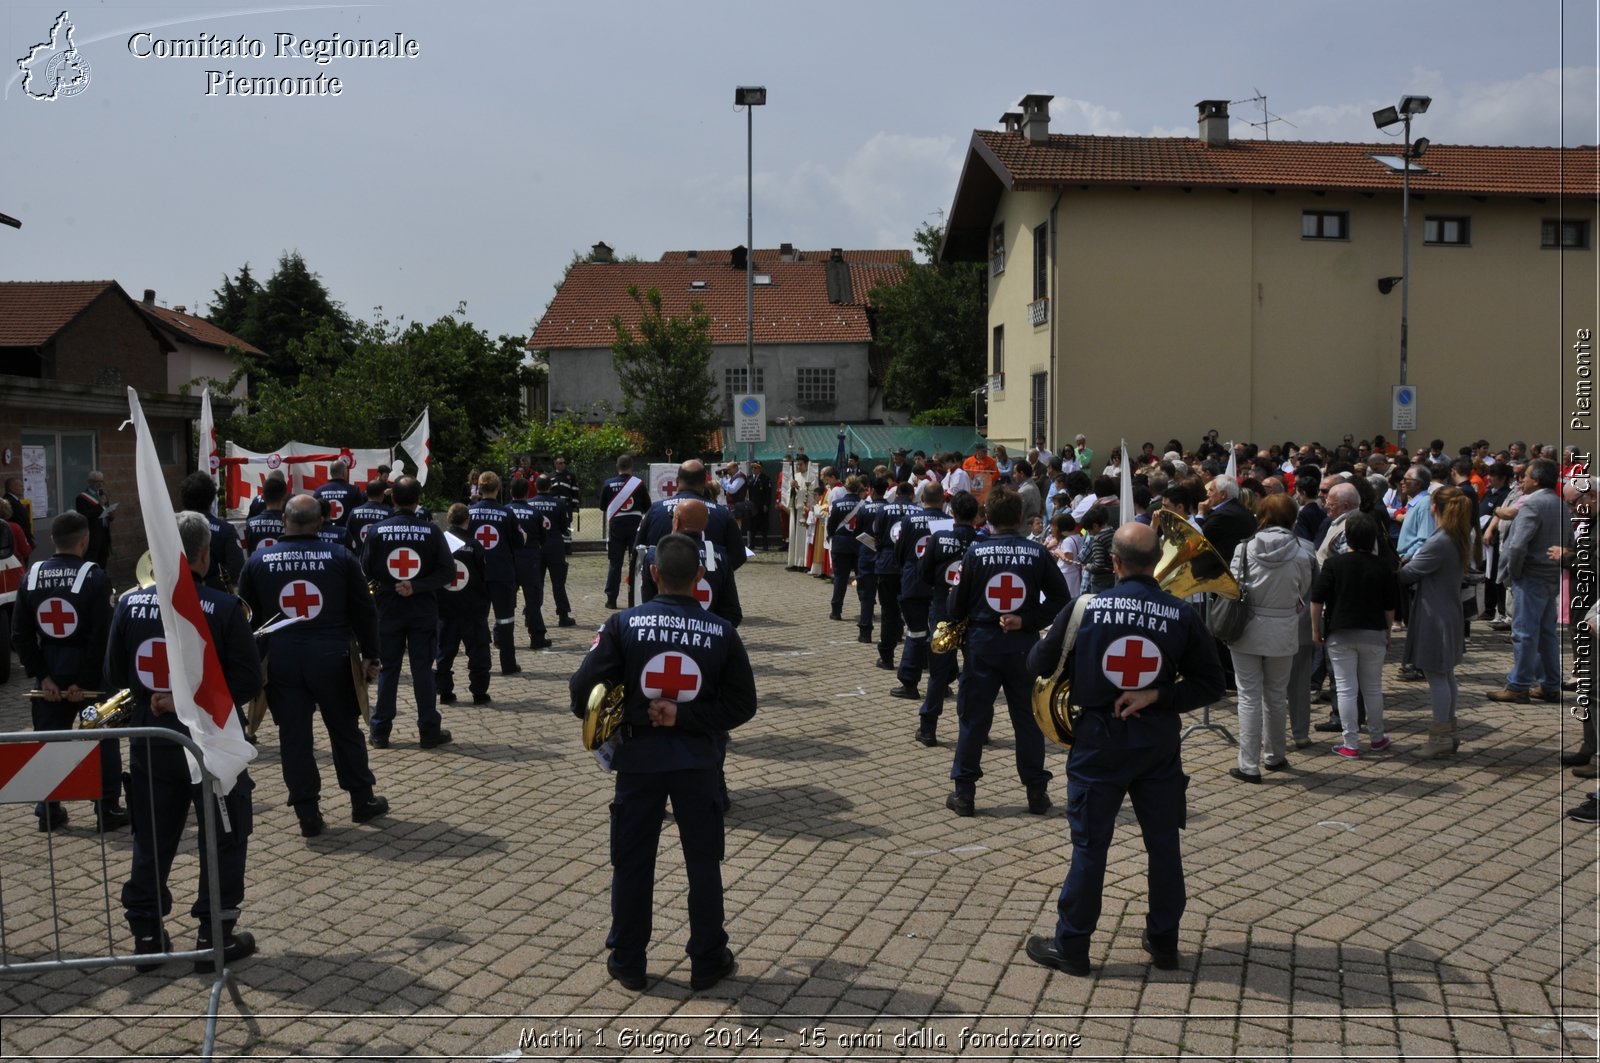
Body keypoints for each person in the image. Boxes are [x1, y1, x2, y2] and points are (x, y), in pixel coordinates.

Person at [1024, 521, 1225, 977]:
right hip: (1157, 742)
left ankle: (1072, 946)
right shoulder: (1181, 612)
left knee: (1090, 846)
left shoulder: (1084, 608)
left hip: (1098, 741)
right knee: (1163, 844)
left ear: (1113, 562)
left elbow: (1037, 664)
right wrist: (1158, 695)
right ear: (1157, 562)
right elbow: (1212, 683)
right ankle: (1164, 941)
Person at [567, 533, 757, 993]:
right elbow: (743, 705)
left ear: (652, 575)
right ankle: (708, 960)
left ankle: (629, 960)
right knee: (703, 862)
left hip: (638, 762)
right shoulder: (722, 632)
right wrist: (687, 715)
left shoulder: (622, 625)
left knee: (632, 862)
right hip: (698, 763)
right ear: (699, 577)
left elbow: (580, 696)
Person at [109, 511, 261, 972]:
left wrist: (157, 700)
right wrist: (184, 702)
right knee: (226, 837)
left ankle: (147, 937)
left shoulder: (128, 604)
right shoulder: (223, 606)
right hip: (209, 746)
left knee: (151, 840)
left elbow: (114, 676)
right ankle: (213, 936)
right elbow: (248, 681)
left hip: (151, 744)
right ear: (204, 553)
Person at [237, 494, 388, 837]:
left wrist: (251, 667)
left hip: (282, 661)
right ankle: (362, 800)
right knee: (345, 730)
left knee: (295, 737)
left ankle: (307, 813)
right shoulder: (341, 557)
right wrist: (371, 655)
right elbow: (364, 610)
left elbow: (246, 619)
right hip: (333, 659)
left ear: (283, 522)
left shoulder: (258, 560)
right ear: (320, 522)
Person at [944, 488, 1070, 817]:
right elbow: (1061, 599)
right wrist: (1027, 619)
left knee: (972, 719)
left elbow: (955, 607)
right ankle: (1037, 794)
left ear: (987, 516)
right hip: (1023, 646)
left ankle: (965, 794)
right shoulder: (1037, 552)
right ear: (1019, 518)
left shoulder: (974, 553)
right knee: (1028, 721)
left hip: (982, 645)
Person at [11, 511, 126, 831]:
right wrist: (84, 681)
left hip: (49, 672)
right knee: (103, 739)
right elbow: (102, 635)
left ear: (52, 541)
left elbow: (19, 635)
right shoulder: (95, 576)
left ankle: (49, 811)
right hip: (88, 675)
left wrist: (44, 676)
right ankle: (106, 809)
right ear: (85, 540)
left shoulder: (30, 576)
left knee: (50, 741)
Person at [1225, 494, 1315, 781]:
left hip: (1247, 627)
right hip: (1283, 627)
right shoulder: (1303, 552)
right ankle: (1275, 755)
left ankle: (1248, 764)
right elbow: (1304, 588)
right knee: (1276, 695)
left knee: (1248, 696)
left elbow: (1233, 584)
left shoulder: (1244, 548)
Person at [362, 476, 456, 750]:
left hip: (387, 609)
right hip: (421, 609)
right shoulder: (432, 531)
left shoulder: (377, 531)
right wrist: (416, 586)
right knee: (423, 670)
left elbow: (365, 572)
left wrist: (389, 587)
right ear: (418, 501)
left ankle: (380, 731)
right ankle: (429, 731)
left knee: (389, 669)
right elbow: (448, 572)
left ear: (392, 499)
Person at [1311, 514, 1400, 758]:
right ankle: (1377, 736)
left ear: (1347, 537)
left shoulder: (1334, 565)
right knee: (1372, 688)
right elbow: (1390, 605)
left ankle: (1350, 743)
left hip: (1340, 633)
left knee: (1346, 688)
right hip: (1374, 632)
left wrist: (1316, 631)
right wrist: (1388, 631)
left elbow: (1317, 599)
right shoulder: (1383, 566)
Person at [1400, 485, 1473, 757]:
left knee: (1436, 675)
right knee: (1446, 674)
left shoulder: (1440, 540)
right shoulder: (1456, 536)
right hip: (1448, 610)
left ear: (1434, 508)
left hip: (1435, 614)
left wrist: (1402, 562)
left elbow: (1408, 573)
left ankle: (1440, 736)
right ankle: (1448, 732)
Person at [1489, 458, 1569, 703]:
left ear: (1536, 479)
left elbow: (1516, 546)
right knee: (1546, 634)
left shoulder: (1532, 505)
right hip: (1550, 575)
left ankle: (1518, 685)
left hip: (1531, 575)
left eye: (1525, 476)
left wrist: (1514, 572)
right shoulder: (1560, 504)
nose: (1521, 480)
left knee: (1523, 633)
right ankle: (1550, 685)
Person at [915, 490, 980, 746]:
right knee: (974, 674)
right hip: (973, 615)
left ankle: (928, 728)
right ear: (975, 516)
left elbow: (924, 572)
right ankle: (977, 728)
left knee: (937, 675)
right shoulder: (982, 542)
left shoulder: (939, 538)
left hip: (943, 608)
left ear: (951, 512)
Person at [890, 481, 949, 701]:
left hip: (913, 583)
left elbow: (900, 552)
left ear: (922, 499)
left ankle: (909, 683)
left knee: (915, 633)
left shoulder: (908, 520)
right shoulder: (947, 522)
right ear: (943, 500)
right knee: (942, 634)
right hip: (940, 586)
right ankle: (942, 683)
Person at [468, 471, 527, 675]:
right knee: (505, 620)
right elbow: (519, 542)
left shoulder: (470, 512)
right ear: (498, 488)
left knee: (478, 621)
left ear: (480, 488)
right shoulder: (507, 513)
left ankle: (480, 664)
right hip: (502, 573)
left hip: (476, 575)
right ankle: (508, 664)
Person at [436, 503, 493, 706]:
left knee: (444, 652)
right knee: (478, 652)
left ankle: (444, 692)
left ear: (449, 519)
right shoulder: (475, 545)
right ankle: (479, 692)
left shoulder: (439, 543)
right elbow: (484, 576)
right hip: (472, 609)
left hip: (445, 609)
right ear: (467, 520)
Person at [506, 475, 552, 648]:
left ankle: (501, 637)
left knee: (507, 602)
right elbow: (543, 537)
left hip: (509, 561)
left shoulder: (505, 511)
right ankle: (537, 638)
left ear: (510, 491)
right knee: (533, 601)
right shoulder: (535, 513)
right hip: (530, 561)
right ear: (527, 492)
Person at [179, 473, 245, 593]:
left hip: (178, 598)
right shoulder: (226, 530)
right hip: (218, 600)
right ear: (212, 500)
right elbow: (236, 570)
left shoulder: (173, 529)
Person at [599, 454, 647, 608]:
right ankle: (635, 598)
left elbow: (602, 506)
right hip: (635, 525)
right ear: (632, 467)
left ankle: (611, 600)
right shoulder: (639, 484)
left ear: (617, 467)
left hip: (616, 526)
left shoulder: (608, 484)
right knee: (636, 563)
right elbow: (648, 506)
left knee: (615, 563)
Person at [527, 474, 575, 627]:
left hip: (536, 549)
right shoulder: (559, 504)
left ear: (536, 486)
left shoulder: (529, 504)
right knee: (558, 583)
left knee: (536, 583)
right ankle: (563, 615)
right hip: (555, 547)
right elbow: (564, 527)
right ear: (550, 486)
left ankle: (530, 616)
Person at [826, 476, 864, 625]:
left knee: (840, 578)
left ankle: (836, 611)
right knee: (862, 578)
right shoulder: (864, 505)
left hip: (841, 544)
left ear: (846, 487)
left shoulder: (836, 504)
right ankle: (866, 608)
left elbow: (831, 525)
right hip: (859, 545)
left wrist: (832, 537)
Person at [782, 454, 817, 571]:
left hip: (805, 511)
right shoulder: (795, 476)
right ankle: (794, 562)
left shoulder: (812, 477)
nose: (798, 466)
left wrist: (798, 488)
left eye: (801, 464)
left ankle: (804, 562)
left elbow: (812, 494)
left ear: (807, 464)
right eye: (797, 464)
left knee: (804, 538)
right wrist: (792, 488)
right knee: (793, 535)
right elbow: (787, 492)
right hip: (795, 510)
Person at [75, 470, 115, 567]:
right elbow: (84, 516)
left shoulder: (102, 495)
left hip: (104, 534)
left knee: (103, 562)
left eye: (102, 481)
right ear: (90, 482)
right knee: (91, 563)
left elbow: (104, 511)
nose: (100, 484)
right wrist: (99, 505)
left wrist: (110, 514)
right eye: (97, 481)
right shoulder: (82, 498)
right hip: (92, 536)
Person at [243, 473, 288, 555]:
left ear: (263, 497)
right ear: (285, 496)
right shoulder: (289, 524)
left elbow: (248, 552)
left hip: (257, 566)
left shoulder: (250, 524)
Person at [312, 459, 364, 528]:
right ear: (344, 473)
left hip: (323, 534)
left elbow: (314, 514)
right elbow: (359, 514)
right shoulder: (354, 490)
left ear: (330, 473)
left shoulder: (319, 491)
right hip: (346, 534)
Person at [346, 480, 394, 549]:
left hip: (358, 556)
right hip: (379, 556)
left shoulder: (353, 512)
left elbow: (348, 535)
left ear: (366, 493)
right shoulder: (389, 512)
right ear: (382, 494)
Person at [547, 456, 582, 549]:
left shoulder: (570, 476)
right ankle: (555, 547)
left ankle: (567, 547)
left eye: (564, 463)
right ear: (555, 464)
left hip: (566, 504)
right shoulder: (550, 476)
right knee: (554, 525)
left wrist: (575, 504)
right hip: (554, 504)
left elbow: (575, 490)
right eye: (560, 463)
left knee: (567, 525)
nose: (563, 465)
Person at [746, 461, 774, 551]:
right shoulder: (749, 478)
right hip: (752, 506)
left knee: (763, 526)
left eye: (756, 468)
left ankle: (765, 544)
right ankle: (752, 544)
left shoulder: (765, 479)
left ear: (760, 469)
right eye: (753, 468)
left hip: (761, 506)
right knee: (752, 525)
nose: (754, 469)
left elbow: (768, 493)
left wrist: (766, 504)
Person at [4, 475, 35, 548]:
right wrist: (28, 539)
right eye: (20, 486)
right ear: (12, 488)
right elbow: (20, 522)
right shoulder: (10, 501)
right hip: (18, 541)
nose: (23, 488)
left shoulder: (15, 500)